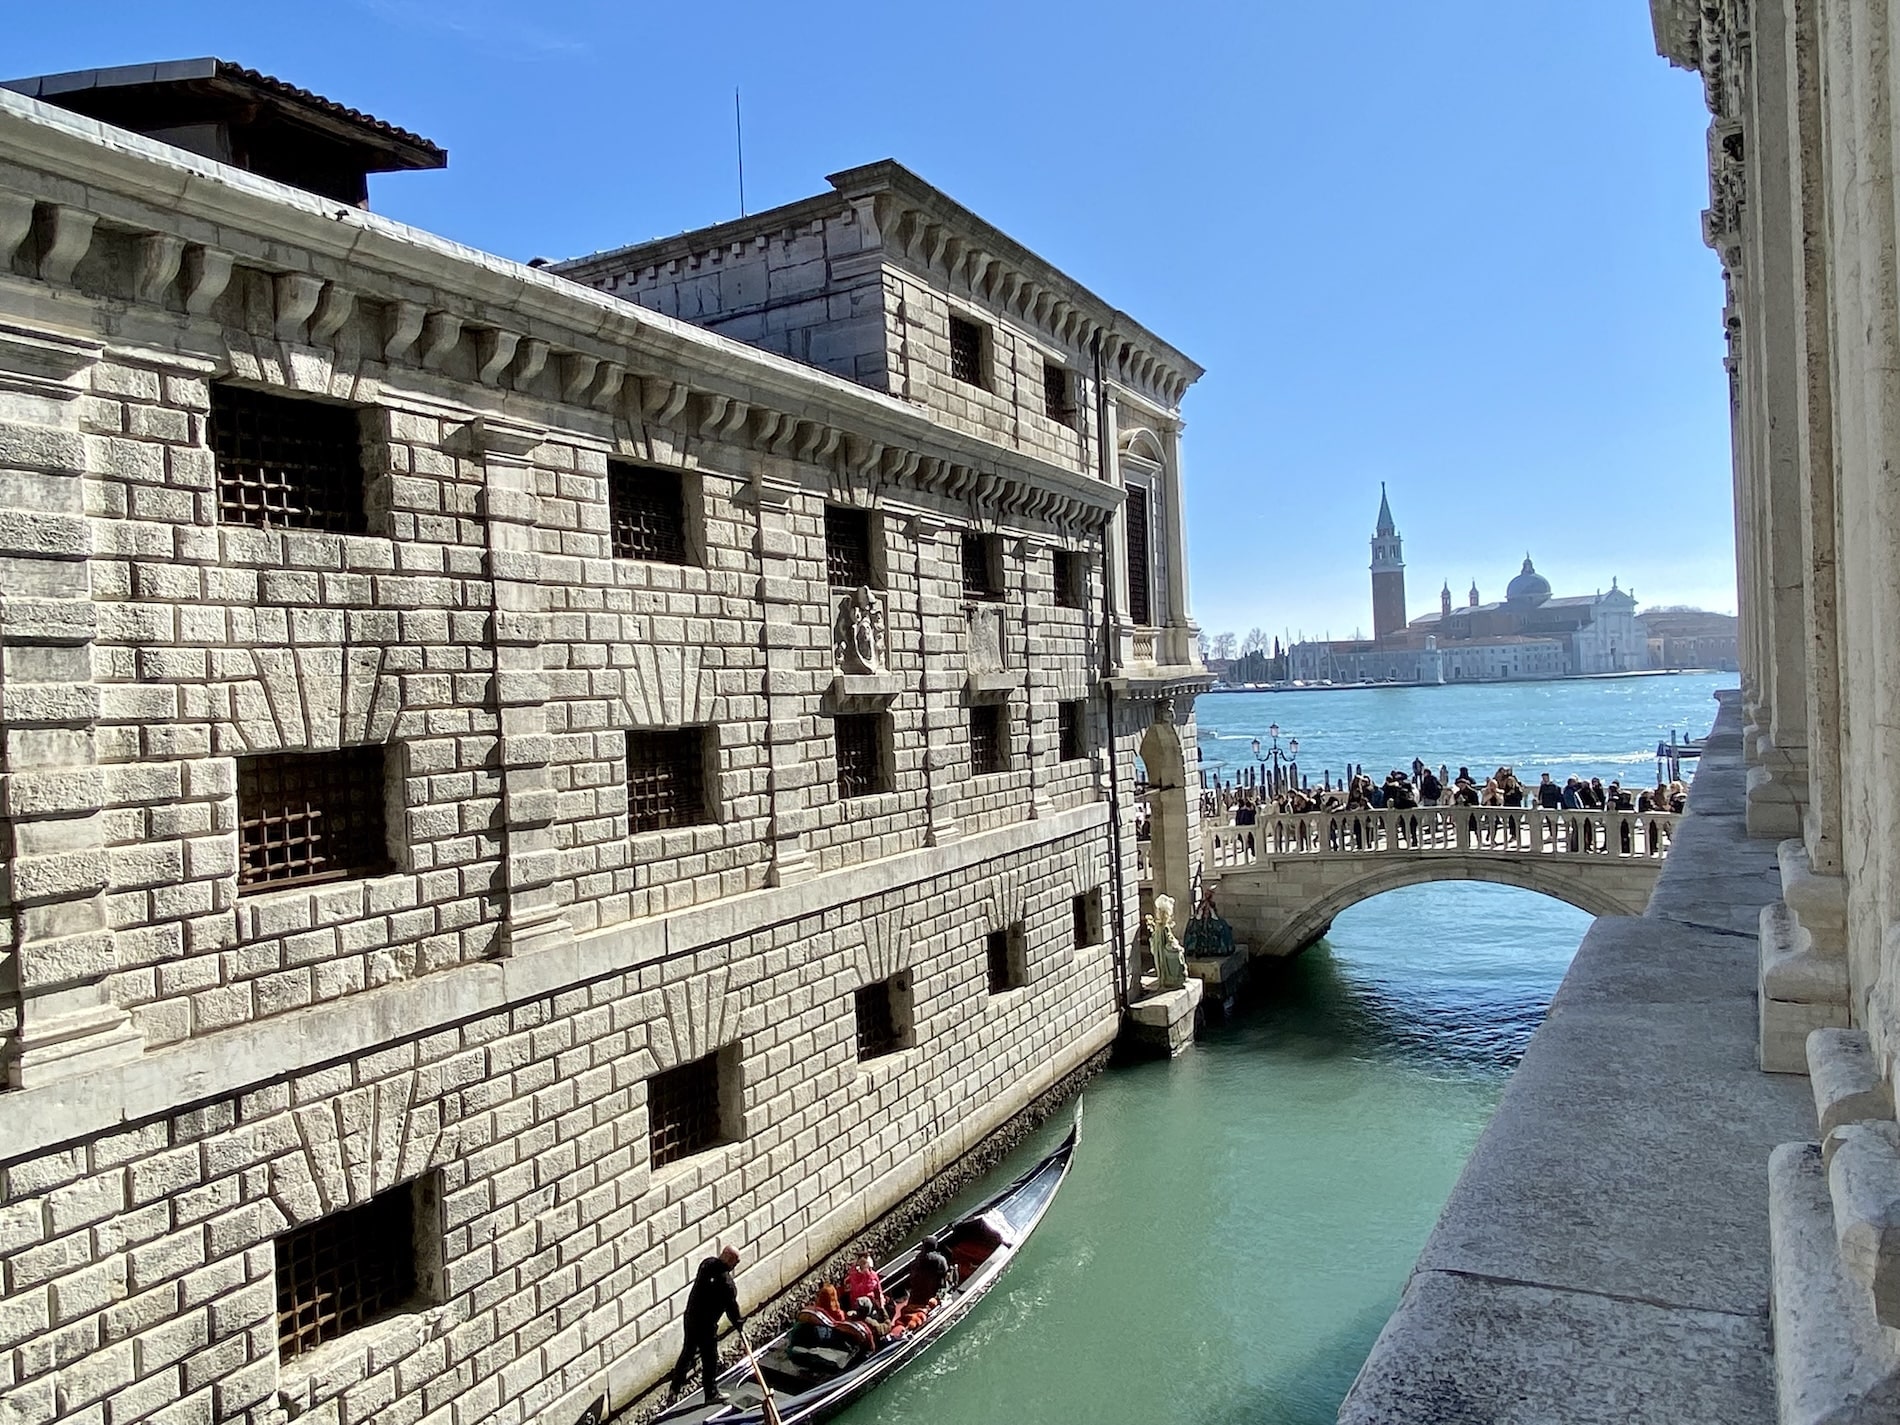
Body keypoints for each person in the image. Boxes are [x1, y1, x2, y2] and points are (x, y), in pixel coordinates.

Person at [668, 1247, 743, 1407]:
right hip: (706, 1326)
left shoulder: (706, 1265)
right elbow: (732, 1310)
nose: (736, 1264)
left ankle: (674, 1389)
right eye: (736, 1261)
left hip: (690, 1318)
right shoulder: (727, 1285)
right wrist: (739, 1325)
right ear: (730, 1261)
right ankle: (711, 1393)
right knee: (710, 1359)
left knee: (687, 1352)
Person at [899, 1236, 951, 1316]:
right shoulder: (940, 1260)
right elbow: (945, 1271)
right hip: (932, 1291)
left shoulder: (918, 1258)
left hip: (917, 1291)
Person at [845, 1253, 891, 1324]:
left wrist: (881, 1305)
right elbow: (854, 1289)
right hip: (859, 1305)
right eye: (869, 1268)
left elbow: (879, 1291)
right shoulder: (854, 1275)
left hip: (871, 1304)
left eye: (871, 1268)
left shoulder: (873, 1276)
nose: (871, 1270)